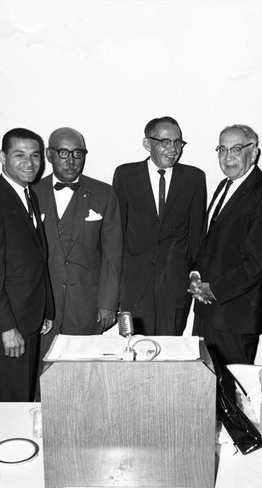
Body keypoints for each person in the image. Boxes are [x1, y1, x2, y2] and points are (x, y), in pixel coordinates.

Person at [0, 128, 54, 402]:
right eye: (20, 155)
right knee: (16, 401)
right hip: (11, 326)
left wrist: (46, 309)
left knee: (26, 397)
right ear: (2, 157)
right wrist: (8, 330)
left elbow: (37, 260)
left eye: (35, 156)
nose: (29, 163)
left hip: (28, 318)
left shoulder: (27, 194)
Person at [189, 125, 262, 366]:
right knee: (205, 388)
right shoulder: (224, 185)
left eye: (236, 149)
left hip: (235, 315)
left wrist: (215, 289)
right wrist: (196, 275)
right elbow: (211, 242)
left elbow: (258, 262)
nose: (227, 157)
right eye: (222, 149)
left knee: (233, 394)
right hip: (207, 310)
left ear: (254, 153)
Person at [34, 127, 123, 374]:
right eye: (63, 153)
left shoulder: (104, 193)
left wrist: (108, 303)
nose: (71, 161)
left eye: (77, 153)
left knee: (84, 379)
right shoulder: (31, 193)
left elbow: (113, 255)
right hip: (44, 310)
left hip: (87, 306)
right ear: (49, 154)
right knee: (44, 378)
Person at [113, 116, 206, 335]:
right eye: (165, 142)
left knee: (170, 353)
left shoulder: (194, 178)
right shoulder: (125, 175)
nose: (173, 149)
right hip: (134, 286)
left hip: (174, 286)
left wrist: (194, 277)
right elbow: (118, 232)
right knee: (135, 350)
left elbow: (196, 235)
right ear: (148, 144)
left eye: (177, 142)